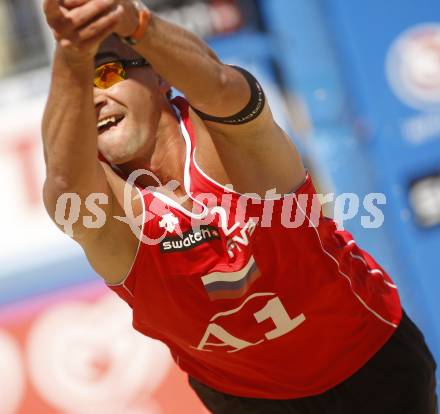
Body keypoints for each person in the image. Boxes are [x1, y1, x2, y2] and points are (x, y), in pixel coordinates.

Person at [41, 0, 438, 412]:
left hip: (370, 363)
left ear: (159, 75)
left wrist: (136, 22)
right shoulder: (107, 210)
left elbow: (220, 82)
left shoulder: (222, 141)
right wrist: (71, 55)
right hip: (251, 401)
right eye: (79, 87)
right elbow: (64, 180)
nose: (94, 99)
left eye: (107, 72)